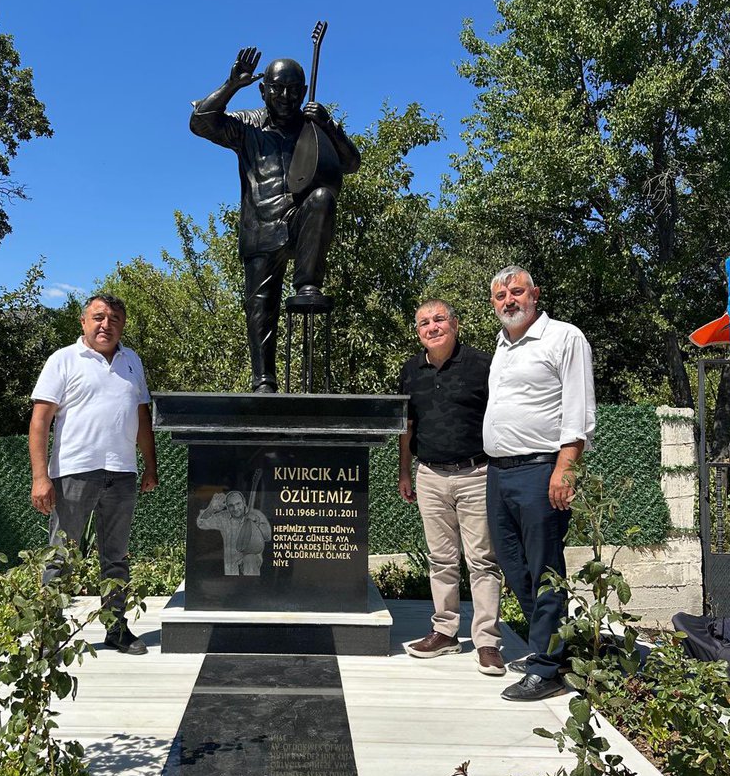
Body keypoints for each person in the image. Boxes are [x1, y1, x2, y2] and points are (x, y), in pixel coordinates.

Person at [190, 47, 361, 392]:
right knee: (261, 308)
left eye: (295, 89)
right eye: (279, 88)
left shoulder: (314, 125)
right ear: (263, 89)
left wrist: (329, 125)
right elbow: (201, 122)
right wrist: (231, 84)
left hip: (300, 223)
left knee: (323, 197)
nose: (287, 96)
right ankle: (263, 381)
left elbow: (351, 163)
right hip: (261, 229)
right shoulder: (247, 125)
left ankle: (307, 283)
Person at [483, 266, 596, 701]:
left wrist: (565, 466)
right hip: (499, 472)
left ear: (535, 295)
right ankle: (552, 649)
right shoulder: (502, 345)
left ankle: (546, 666)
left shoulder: (564, 338)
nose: (508, 300)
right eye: (500, 296)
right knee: (515, 569)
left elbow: (578, 406)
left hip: (539, 469)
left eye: (516, 292)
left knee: (545, 567)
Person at [28, 293, 159, 654]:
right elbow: (40, 421)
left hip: (122, 473)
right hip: (73, 473)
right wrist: (41, 477)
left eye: (114, 318)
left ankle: (116, 629)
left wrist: (150, 464)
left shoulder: (132, 361)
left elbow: (142, 417)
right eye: (99, 317)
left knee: (115, 558)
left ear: (123, 325)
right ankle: (47, 636)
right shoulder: (63, 360)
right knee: (61, 558)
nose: (106, 324)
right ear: (84, 322)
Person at [398, 299, 505, 674]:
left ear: (455, 324)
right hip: (429, 475)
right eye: (424, 322)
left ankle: (488, 641)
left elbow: (500, 418)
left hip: (477, 474)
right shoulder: (410, 371)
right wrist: (405, 472)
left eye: (439, 319)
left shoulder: (483, 366)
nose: (432, 327)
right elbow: (407, 427)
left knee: (482, 561)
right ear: (418, 332)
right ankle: (444, 632)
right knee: (441, 559)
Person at [197, 489, 272, 575]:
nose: (235, 508)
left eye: (238, 504)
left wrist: (256, 523)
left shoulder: (256, 514)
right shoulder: (223, 517)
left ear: (243, 502)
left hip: (251, 567)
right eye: (231, 506)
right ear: (227, 507)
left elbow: (268, 536)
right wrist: (211, 508)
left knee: (250, 558)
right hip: (231, 568)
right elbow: (201, 523)